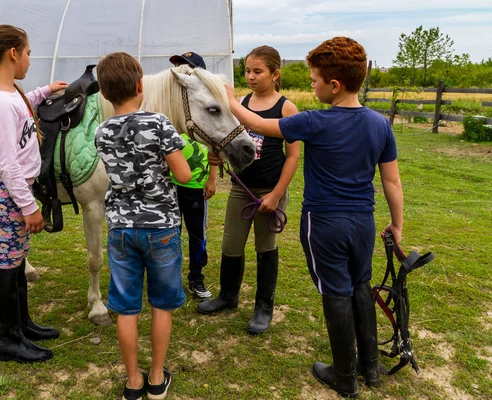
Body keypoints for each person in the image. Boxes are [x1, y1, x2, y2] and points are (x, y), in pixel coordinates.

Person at [225, 37, 404, 397]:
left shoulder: (314, 122)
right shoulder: (380, 124)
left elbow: (259, 125)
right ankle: (370, 368)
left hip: (324, 224)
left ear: (334, 85)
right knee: (359, 285)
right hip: (363, 223)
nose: (311, 85)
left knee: (335, 291)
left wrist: (229, 100)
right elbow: (392, 180)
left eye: (314, 80)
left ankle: (344, 377)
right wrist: (397, 224)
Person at [95, 52, 192, 400]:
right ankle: (155, 377)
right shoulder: (159, 123)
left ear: (104, 94)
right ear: (141, 85)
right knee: (161, 304)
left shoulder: (101, 130)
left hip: (120, 230)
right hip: (161, 229)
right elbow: (183, 174)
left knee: (126, 306)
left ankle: (132, 381)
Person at [0, 24, 69, 363]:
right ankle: (8, 339)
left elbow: (24, 105)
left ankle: (22, 324)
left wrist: (46, 91)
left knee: (15, 260)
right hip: (6, 192)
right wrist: (29, 207)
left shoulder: (9, 93)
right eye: (27, 53)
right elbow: (8, 165)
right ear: (13, 54)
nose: (30, 59)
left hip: (11, 192)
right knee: (5, 264)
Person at [196, 45, 301, 335]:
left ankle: (263, 307)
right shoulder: (241, 103)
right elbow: (228, 141)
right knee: (231, 246)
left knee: (265, 247)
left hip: (270, 190)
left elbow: (292, 156)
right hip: (242, 190)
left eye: (258, 71)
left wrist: (277, 194)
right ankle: (228, 297)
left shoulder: (286, 108)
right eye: (248, 71)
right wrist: (217, 157)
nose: (251, 76)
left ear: (275, 74)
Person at [168, 52, 217, 301]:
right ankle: (172, 277)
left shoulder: (205, 112)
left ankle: (196, 277)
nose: (179, 69)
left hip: (197, 185)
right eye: (177, 66)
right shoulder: (170, 110)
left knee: (197, 233)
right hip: (171, 184)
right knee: (171, 232)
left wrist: (212, 179)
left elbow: (214, 148)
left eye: (184, 66)